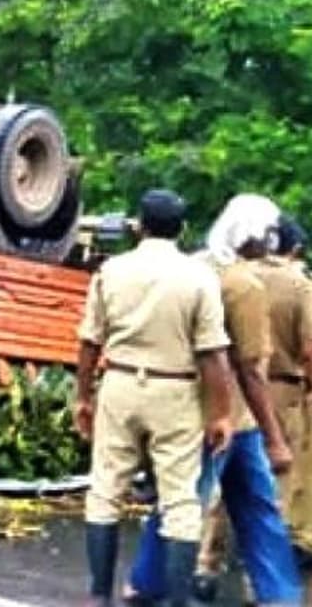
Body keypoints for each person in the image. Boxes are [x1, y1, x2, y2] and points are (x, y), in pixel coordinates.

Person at [124, 194, 303, 606]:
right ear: (254, 236)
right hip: (228, 414)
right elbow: (250, 369)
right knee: (200, 501)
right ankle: (151, 583)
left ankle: (279, 593)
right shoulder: (243, 285)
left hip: (194, 405)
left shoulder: (193, 267)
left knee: (232, 500)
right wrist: (275, 437)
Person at [74, 188, 235, 607]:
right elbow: (213, 353)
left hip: (120, 383)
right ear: (183, 229)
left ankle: (98, 593)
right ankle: (177, 599)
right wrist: (220, 413)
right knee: (180, 497)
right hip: (176, 389)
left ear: (139, 226)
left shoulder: (112, 271)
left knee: (106, 488)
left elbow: (89, 342)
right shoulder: (199, 277)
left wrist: (83, 397)